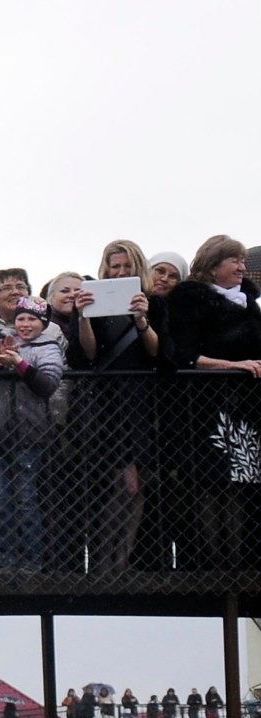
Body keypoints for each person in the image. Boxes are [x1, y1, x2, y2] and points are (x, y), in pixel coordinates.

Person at [161, 235, 261, 570]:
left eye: (243, 260)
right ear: (213, 264)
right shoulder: (190, 299)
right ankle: (211, 561)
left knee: (238, 484)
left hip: (244, 408)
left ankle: (237, 559)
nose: (241, 267)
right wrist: (233, 365)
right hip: (205, 407)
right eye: (234, 260)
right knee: (211, 483)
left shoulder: (248, 302)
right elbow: (184, 353)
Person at [70, 241, 161, 571]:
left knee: (137, 487)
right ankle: (101, 560)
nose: (120, 272)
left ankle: (122, 558)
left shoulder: (154, 304)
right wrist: (82, 317)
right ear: (105, 269)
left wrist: (142, 320)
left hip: (140, 403)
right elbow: (87, 355)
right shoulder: (95, 302)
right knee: (118, 484)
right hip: (106, 404)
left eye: (126, 266)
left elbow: (157, 353)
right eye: (114, 266)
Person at [0, 297, 66, 572]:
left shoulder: (48, 348)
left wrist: (18, 363)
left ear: (43, 323)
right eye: (21, 318)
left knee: (26, 502)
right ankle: (4, 561)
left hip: (30, 436)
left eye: (32, 319)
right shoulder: (0, 342)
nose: (25, 324)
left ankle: (31, 562)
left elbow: (47, 384)